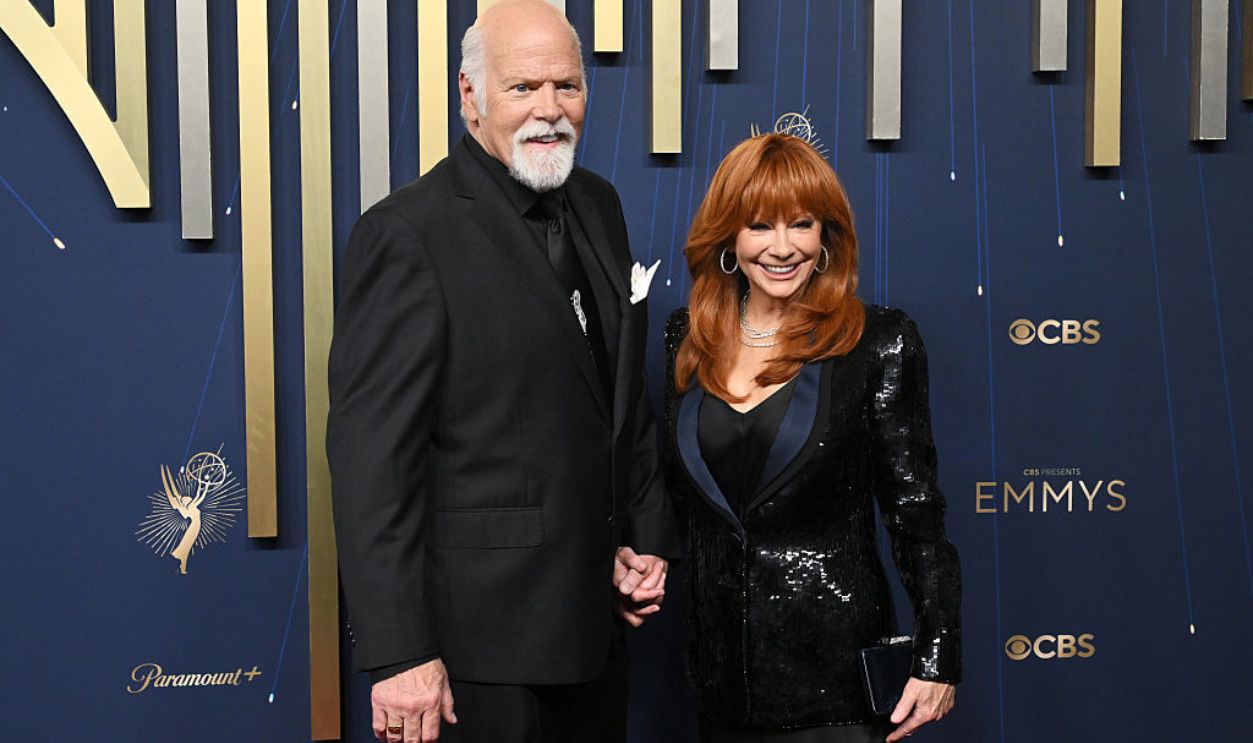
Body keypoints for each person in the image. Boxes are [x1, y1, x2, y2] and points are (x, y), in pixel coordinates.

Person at [326, 2, 680, 742]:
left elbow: (614, 398)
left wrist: (641, 540)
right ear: (471, 95)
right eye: (523, 87)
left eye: (567, 86)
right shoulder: (407, 233)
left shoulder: (599, 204)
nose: (550, 110)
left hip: (594, 633)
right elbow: (372, 463)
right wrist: (399, 653)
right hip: (474, 656)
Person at [663, 134, 962, 743]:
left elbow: (916, 515)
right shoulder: (689, 339)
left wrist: (937, 656)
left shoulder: (878, 342)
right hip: (723, 688)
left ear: (826, 235)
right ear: (728, 237)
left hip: (836, 687)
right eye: (759, 225)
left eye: (801, 224)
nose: (782, 247)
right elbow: (681, 501)